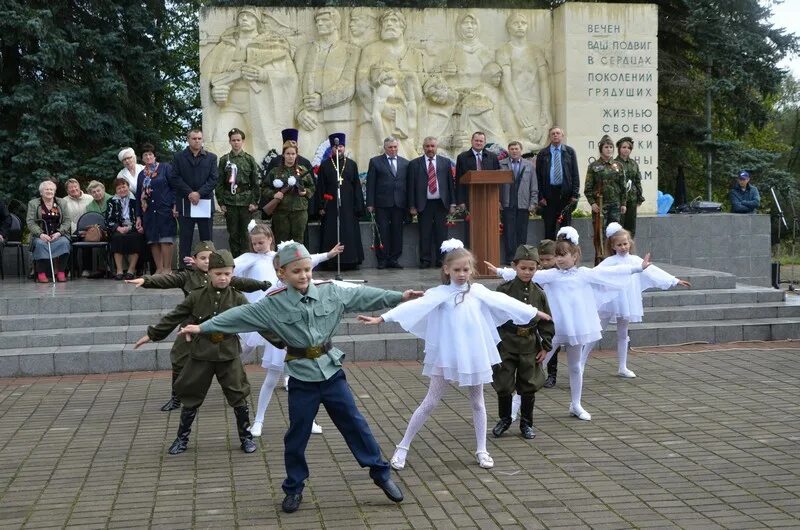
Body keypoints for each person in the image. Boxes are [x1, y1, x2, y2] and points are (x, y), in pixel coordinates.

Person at [179, 242, 418, 514]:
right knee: (297, 436)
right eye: (296, 271)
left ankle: (381, 474)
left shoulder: (331, 293)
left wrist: (400, 296)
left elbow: (365, 296)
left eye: (307, 269)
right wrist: (202, 327)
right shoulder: (273, 303)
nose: (303, 275)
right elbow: (238, 315)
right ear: (282, 273)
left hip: (331, 373)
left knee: (355, 424)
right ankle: (294, 487)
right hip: (302, 379)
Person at [360, 239, 548, 470]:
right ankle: (402, 447)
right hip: (447, 355)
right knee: (430, 401)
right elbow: (413, 307)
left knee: (478, 402)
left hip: (473, 354)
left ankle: (482, 449)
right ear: (446, 269)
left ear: (472, 271)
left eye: (466, 270)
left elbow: (504, 301)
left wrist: (533, 311)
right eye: (457, 269)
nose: (461, 274)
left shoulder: (478, 291)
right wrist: (382, 318)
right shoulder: (439, 293)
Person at [490, 227, 651, 421]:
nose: (559, 259)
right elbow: (527, 274)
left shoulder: (584, 274)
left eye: (563, 255)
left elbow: (611, 272)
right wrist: (500, 271)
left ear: (575, 256)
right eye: (557, 255)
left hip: (578, 326)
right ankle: (515, 406)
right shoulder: (552, 275)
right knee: (536, 366)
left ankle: (576, 404)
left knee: (575, 367)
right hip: (555, 328)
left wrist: (637, 267)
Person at [134, 250, 258, 456]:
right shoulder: (196, 296)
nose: (223, 278)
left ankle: (246, 437)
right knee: (191, 395)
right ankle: (182, 438)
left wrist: (281, 341)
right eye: (218, 273)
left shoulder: (237, 297)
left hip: (228, 354)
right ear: (209, 273)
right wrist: (153, 334)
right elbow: (175, 316)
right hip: (201, 353)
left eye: (227, 274)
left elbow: (258, 319)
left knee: (238, 395)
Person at [126, 240, 271, 411]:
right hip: (191, 327)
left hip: (218, 329)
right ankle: (176, 397)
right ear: (194, 260)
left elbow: (243, 283)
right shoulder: (188, 276)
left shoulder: (222, 276)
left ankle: (236, 401)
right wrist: (146, 280)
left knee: (228, 367)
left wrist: (263, 285)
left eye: (210, 257)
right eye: (202, 258)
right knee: (179, 359)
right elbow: (167, 280)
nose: (207, 261)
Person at [234, 225, 342, 438]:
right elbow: (231, 266)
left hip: (300, 337)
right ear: (280, 272)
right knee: (270, 377)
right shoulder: (271, 283)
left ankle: (309, 420)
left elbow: (308, 260)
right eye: (254, 243)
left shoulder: (298, 276)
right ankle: (258, 421)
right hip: (279, 332)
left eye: (261, 242)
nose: (257, 246)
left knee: (304, 383)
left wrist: (328, 258)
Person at [596, 223, 690, 377]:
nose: (623, 247)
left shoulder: (634, 260)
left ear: (630, 243)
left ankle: (622, 366)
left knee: (623, 332)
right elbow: (595, 275)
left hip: (627, 301)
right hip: (611, 301)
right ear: (612, 246)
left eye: (625, 243)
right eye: (619, 244)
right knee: (598, 331)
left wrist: (674, 280)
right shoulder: (609, 262)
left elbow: (653, 271)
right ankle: (580, 362)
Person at [489, 245, 554, 440]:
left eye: (531, 268)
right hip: (507, 343)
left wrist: (545, 346)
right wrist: (493, 343)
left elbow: (546, 321)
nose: (527, 272)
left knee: (528, 384)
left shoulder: (539, 293)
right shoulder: (504, 290)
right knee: (503, 383)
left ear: (537, 268)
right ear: (514, 267)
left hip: (529, 345)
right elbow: (493, 316)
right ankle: (505, 419)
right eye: (523, 268)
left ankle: (526, 423)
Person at [294, 8, 360, 151]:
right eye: (318, 21)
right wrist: (299, 111)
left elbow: (349, 83)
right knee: (304, 156)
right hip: (310, 116)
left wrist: (322, 100)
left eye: (325, 20)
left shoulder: (351, 50)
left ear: (336, 23)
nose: (320, 24)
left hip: (340, 116)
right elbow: (296, 84)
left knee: (342, 163)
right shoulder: (303, 51)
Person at [168, 128, 219, 265]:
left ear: (202, 140)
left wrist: (199, 193)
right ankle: (185, 270)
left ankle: (208, 267)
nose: (197, 141)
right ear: (188, 139)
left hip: (204, 203)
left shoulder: (211, 157)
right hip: (185, 202)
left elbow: (213, 179)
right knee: (185, 239)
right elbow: (174, 177)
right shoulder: (178, 157)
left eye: (199, 138)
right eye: (194, 138)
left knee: (207, 239)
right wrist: (190, 193)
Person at [316, 133, 364, 270]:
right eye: (336, 147)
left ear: (344, 147)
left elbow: (357, 187)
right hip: (330, 206)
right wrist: (321, 206)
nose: (339, 149)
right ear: (332, 149)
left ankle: (350, 261)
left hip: (349, 207)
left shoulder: (352, 165)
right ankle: (330, 262)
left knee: (349, 232)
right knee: (331, 232)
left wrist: (358, 206)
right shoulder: (324, 166)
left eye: (341, 146)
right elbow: (320, 187)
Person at [408, 136, 456, 268]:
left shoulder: (445, 162)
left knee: (442, 234)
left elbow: (450, 184)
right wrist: (412, 205)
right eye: (427, 146)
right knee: (425, 233)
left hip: (441, 203)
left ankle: (442, 260)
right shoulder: (414, 164)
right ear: (423, 147)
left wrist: (452, 203)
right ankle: (425, 260)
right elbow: (411, 186)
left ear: (436, 147)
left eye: (432, 146)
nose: (430, 148)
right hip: (424, 204)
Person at [366, 136, 409, 269]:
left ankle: (394, 259)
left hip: (399, 203)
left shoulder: (405, 163)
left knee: (397, 231)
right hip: (382, 204)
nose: (393, 149)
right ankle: (382, 259)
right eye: (390, 147)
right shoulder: (375, 162)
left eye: (395, 147)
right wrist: (370, 203)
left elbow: (408, 184)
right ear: (385, 148)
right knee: (382, 232)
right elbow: (370, 184)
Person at [261, 141, 315, 244]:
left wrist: (305, 192)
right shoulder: (275, 171)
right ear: (283, 155)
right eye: (288, 154)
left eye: (293, 154)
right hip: (281, 213)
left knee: (298, 243)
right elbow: (264, 188)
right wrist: (274, 194)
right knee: (281, 243)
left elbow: (312, 187)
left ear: (296, 155)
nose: (290, 156)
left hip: (299, 212)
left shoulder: (302, 170)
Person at [136, 143, 177, 275]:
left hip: (165, 209)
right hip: (148, 211)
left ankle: (167, 268)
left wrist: (175, 204)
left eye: (150, 154)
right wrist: (138, 216)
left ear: (154, 156)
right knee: (153, 240)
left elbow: (175, 187)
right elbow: (138, 196)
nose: (148, 157)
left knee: (166, 239)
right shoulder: (141, 175)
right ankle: (159, 268)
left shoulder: (165, 168)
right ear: (142, 158)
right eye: (145, 155)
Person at [217, 128, 258, 258]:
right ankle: (235, 261)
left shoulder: (249, 159)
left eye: (238, 140)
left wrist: (254, 201)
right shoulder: (224, 160)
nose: (236, 143)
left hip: (246, 202)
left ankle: (246, 260)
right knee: (233, 234)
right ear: (229, 141)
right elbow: (219, 183)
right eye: (233, 140)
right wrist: (221, 203)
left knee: (246, 234)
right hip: (230, 201)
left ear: (243, 141)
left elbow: (255, 182)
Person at [535, 127, 580, 240]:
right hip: (548, 195)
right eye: (553, 134)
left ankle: (565, 253)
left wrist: (574, 194)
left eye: (558, 133)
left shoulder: (569, 152)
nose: (555, 135)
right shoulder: (543, 154)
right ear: (550, 136)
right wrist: (540, 196)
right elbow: (538, 177)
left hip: (565, 195)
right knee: (549, 226)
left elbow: (575, 174)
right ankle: (549, 255)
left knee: (565, 228)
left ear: (562, 135)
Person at [499, 141, 537, 264]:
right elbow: (497, 186)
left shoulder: (529, 165)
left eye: (516, 149)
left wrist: (533, 202)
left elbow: (534, 185)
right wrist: (498, 202)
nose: (514, 151)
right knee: (509, 232)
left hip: (523, 204)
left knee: (522, 232)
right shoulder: (501, 164)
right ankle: (510, 258)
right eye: (512, 149)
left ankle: (521, 258)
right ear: (508, 151)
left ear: (521, 150)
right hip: (507, 203)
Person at [26, 180, 71, 282]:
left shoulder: (62, 202)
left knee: (65, 243)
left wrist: (60, 233)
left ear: (54, 191)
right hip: (41, 235)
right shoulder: (33, 203)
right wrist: (40, 234)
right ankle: (41, 273)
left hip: (58, 234)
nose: (49, 191)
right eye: (46, 189)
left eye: (51, 189)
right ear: (41, 192)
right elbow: (30, 222)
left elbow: (67, 220)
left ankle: (61, 272)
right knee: (40, 244)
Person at [584, 135, 627, 231]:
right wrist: (592, 203)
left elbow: (623, 186)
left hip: (615, 205)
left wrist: (623, 203)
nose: (609, 150)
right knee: (600, 233)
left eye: (611, 147)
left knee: (615, 233)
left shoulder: (618, 165)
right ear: (601, 149)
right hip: (600, 205)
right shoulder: (593, 166)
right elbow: (588, 188)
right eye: (606, 147)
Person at [106, 178, 145, 280]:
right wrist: (118, 228)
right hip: (119, 228)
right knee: (116, 238)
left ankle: (131, 270)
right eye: (119, 188)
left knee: (136, 238)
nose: (122, 190)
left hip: (134, 227)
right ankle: (119, 270)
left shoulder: (136, 199)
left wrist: (136, 226)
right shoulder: (111, 202)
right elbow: (108, 219)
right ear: (115, 190)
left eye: (124, 187)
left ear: (128, 187)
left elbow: (142, 215)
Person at [455, 131, 500, 210]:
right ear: (472, 141)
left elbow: (498, 180)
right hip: (469, 197)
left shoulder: (492, 157)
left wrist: (498, 199)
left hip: (489, 197)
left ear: (485, 142)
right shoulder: (462, 157)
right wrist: (460, 201)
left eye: (481, 141)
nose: (478, 143)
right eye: (476, 140)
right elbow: (459, 180)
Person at [62, 178, 94, 278]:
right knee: (69, 243)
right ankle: (73, 269)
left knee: (87, 243)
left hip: (88, 228)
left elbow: (92, 215)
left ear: (79, 187)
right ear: (67, 191)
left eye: (75, 186)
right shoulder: (63, 201)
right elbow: (65, 219)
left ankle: (86, 269)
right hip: (72, 229)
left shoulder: (90, 198)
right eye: (70, 188)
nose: (73, 189)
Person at [616, 137, 644, 236]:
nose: (626, 149)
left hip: (632, 198)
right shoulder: (615, 163)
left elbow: (637, 181)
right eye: (624, 147)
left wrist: (639, 197)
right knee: (619, 226)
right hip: (618, 199)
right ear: (619, 148)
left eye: (628, 147)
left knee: (631, 227)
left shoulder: (633, 164)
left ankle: (630, 248)